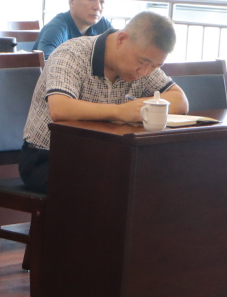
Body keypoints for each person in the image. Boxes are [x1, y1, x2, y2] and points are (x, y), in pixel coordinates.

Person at [20, 11, 187, 193]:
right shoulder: (71, 54)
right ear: (121, 39)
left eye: (155, 66)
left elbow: (180, 100)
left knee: (167, 180)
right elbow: (60, 108)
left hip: (107, 156)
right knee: (114, 188)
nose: (145, 72)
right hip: (49, 157)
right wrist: (121, 111)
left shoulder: (145, 63)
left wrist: (142, 107)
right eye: (142, 62)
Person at [33, 0, 112, 58]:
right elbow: (46, 62)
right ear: (72, 1)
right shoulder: (56, 28)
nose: (98, 7)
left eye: (102, 1)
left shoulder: (103, 25)